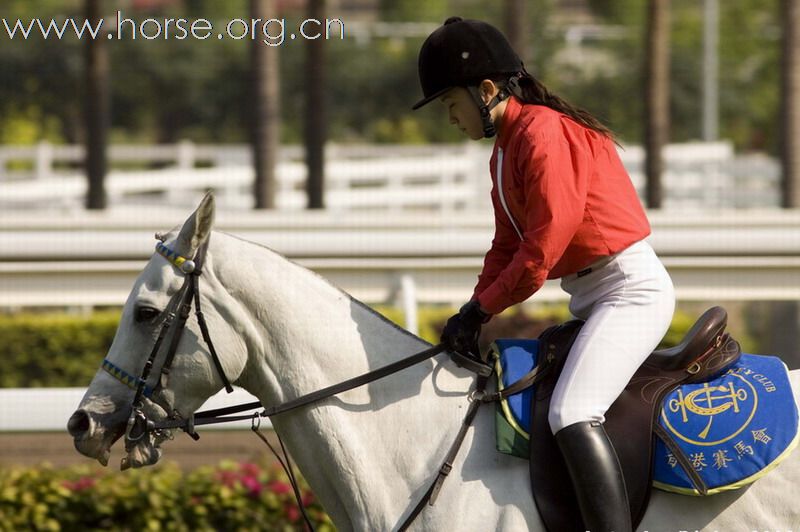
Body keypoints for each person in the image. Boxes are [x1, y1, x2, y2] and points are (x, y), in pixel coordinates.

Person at [412, 17, 675, 532]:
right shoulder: (505, 151)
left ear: (486, 91)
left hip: (630, 292)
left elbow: (540, 250)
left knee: (571, 413)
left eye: (450, 103)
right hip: (596, 297)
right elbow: (504, 245)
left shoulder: (543, 134)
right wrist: (472, 308)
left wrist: (483, 309)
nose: (450, 117)